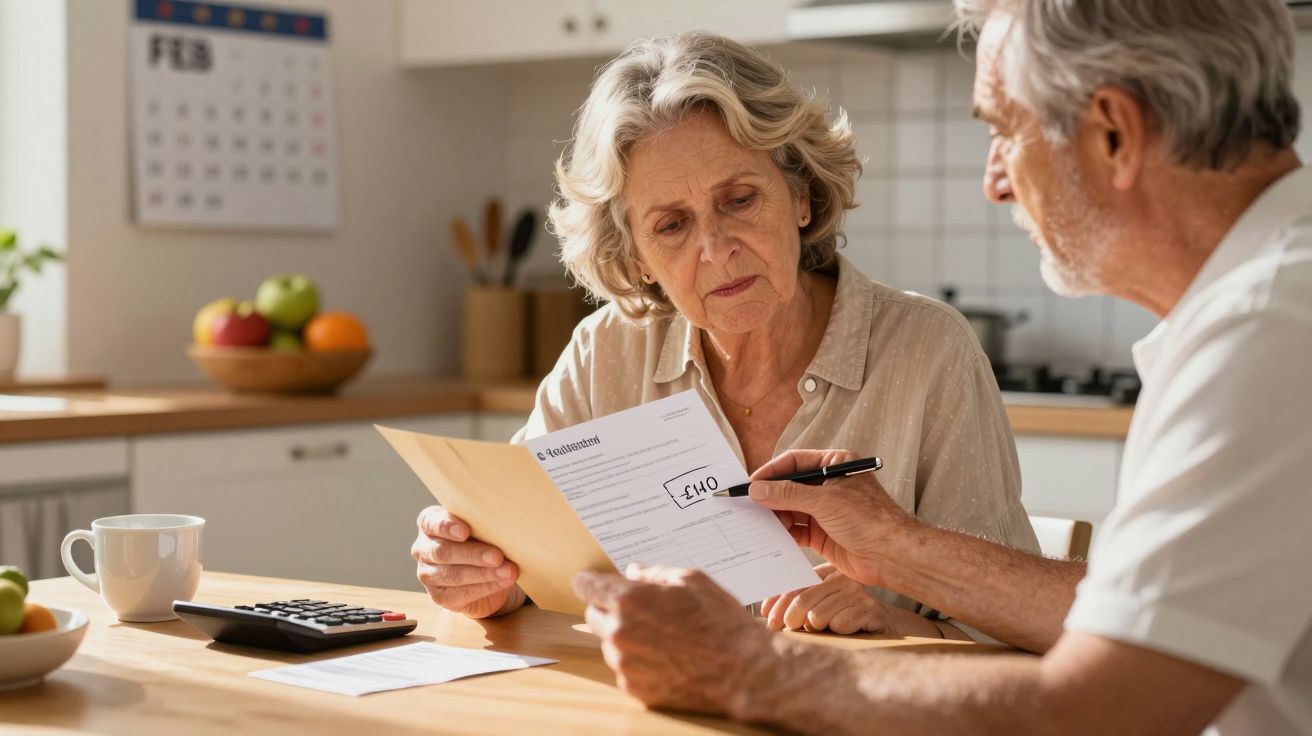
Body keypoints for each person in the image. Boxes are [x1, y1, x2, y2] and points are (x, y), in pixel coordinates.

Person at [574, 1, 1312, 733]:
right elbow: (1130, 622)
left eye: (1004, 131)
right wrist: (897, 546)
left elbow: (1094, 709)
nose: (995, 181)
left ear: (1113, 133)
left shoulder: (1268, 335)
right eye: (672, 225)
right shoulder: (1262, 307)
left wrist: (745, 667)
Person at [411, 32, 1039, 638]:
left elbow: (1016, 626)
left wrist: (891, 623)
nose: (716, 250)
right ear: (635, 259)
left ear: (800, 195)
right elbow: (524, 556)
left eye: (739, 200)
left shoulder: (930, 352)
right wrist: (482, 576)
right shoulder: (605, 353)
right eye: (672, 226)